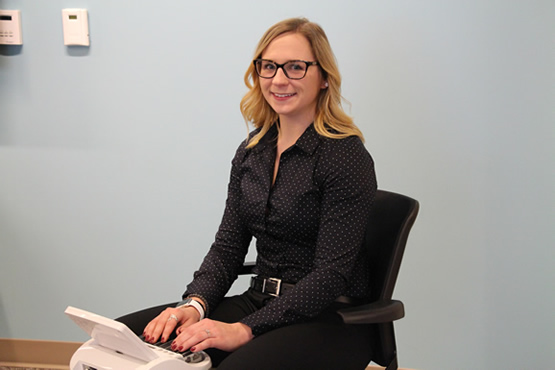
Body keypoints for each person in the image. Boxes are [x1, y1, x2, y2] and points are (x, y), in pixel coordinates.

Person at [118, 17, 377, 369]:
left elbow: (329, 276)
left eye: (296, 67)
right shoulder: (252, 151)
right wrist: (195, 306)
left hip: (329, 318)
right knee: (126, 341)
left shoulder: (344, 156)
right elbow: (227, 247)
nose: (279, 79)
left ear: (324, 78)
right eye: (269, 67)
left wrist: (245, 329)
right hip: (259, 299)